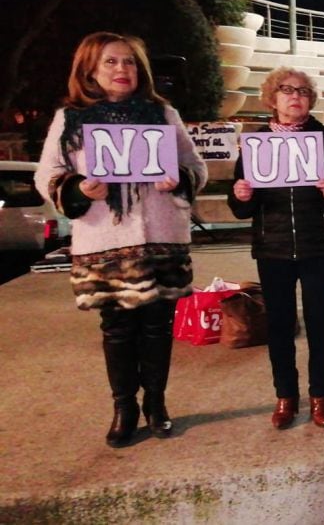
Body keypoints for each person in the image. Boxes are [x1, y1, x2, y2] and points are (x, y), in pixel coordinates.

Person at [34, 32, 207, 447]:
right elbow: (47, 174)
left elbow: (196, 167)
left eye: (129, 61)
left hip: (163, 239)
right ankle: (124, 407)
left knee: (158, 328)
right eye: (110, 61)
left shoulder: (163, 113)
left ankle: (156, 404)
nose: (121, 69)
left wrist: (179, 180)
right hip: (104, 242)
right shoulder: (71, 117)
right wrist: (78, 189)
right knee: (117, 329)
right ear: (90, 69)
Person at [228, 67, 324, 429]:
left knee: (321, 324)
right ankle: (285, 395)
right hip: (273, 248)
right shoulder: (256, 144)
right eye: (286, 90)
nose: (295, 96)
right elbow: (241, 207)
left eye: (302, 91)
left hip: (320, 248)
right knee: (280, 326)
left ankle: (321, 395)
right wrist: (241, 195)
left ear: (310, 100)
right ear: (272, 98)